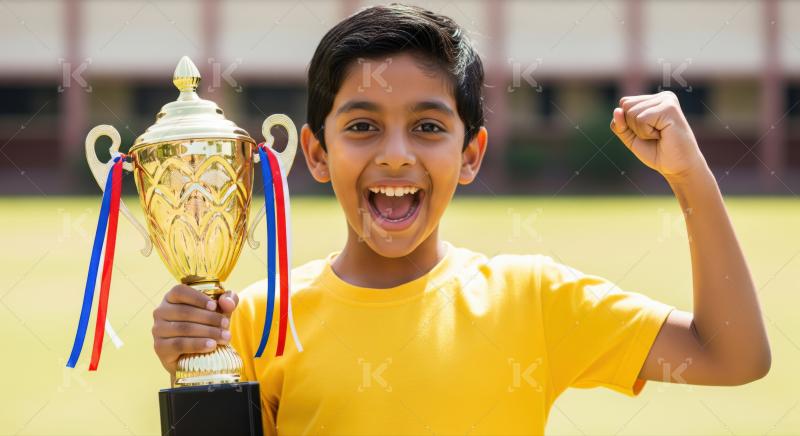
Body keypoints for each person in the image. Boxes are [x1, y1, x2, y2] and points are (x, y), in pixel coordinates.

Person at [151, 4, 771, 434]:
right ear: (316, 153)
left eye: (427, 127)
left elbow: (733, 355)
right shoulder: (257, 321)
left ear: (470, 154)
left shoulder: (533, 298)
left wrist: (691, 177)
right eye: (363, 126)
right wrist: (198, 379)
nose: (396, 153)